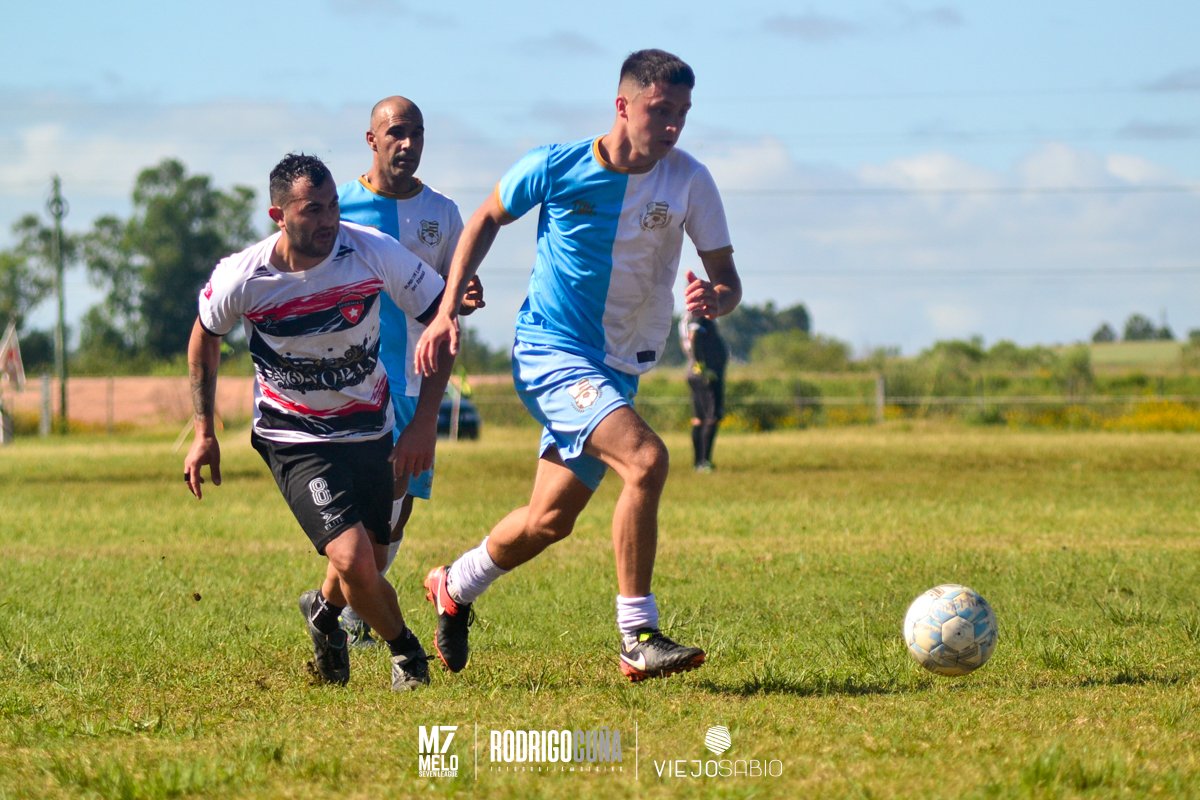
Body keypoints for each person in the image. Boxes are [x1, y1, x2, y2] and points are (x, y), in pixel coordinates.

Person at [413, 49, 742, 682]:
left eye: (682, 113)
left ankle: (454, 584)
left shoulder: (690, 180)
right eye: (660, 110)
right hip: (552, 351)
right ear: (623, 105)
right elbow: (485, 218)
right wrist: (446, 308)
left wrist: (715, 299)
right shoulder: (556, 165)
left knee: (549, 520)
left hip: (618, 368)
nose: (673, 125)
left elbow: (727, 280)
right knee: (646, 459)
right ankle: (637, 634)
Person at [183, 153, 453, 691]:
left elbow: (441, 323)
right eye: (313, 210)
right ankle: (408, 655)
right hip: (294, 436)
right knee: (353, 559)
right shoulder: (245, 275)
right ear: (278, 215)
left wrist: (423, 423)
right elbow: (204, 337)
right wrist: (204, 431)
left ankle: (323, 616)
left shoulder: (371, 250)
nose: (329, 219)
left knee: (370, 559)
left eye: (332, 205)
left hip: (371, 427)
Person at [334, 95, 483, 646]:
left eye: (416, 133)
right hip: (353, 380)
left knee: (400, 508)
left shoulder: (442, 213)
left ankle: (342, 605)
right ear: (371, 139)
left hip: (419, 378)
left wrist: (465, 296)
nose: (408, 143)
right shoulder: (339, 207)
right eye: (396, 132)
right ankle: (348, 612)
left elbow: (455, 292)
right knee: (370, 501)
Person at [679, 311, 728, 471]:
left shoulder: (686, 317)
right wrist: (702, 366)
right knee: (711, 416)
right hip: (707, 375)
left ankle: (698, 462)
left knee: (699, 418)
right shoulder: (699, 313)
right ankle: (704, 461)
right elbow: (694, 337)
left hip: (693, 372)